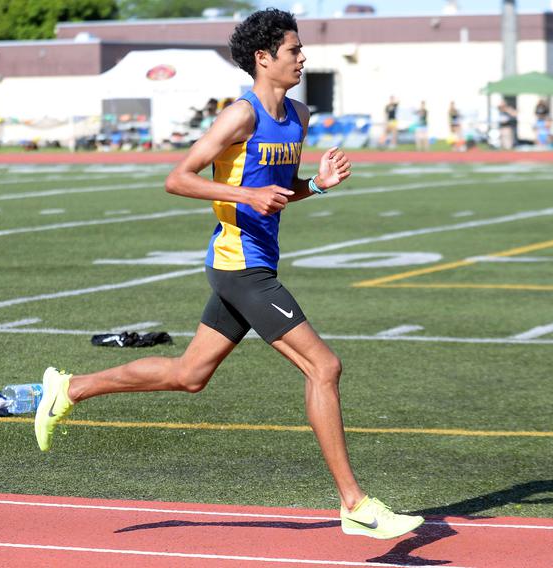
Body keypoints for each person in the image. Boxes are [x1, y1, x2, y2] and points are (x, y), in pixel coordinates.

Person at [34, 8, 423, 541]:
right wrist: (245, 194)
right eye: (293, 51)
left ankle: (70, 388)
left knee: (189, 375)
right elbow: (178, 178)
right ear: (264, 59)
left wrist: (318, 184)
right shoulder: (239, 117)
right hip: (240, 266)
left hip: (253, 262)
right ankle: (354, 504)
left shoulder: (299, 115)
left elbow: (277, 195)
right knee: (324, 367)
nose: (302, 57)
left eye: (300, 49)